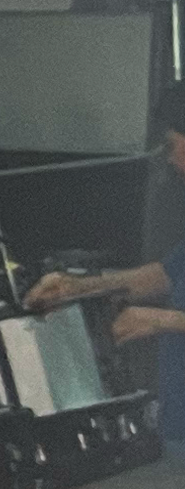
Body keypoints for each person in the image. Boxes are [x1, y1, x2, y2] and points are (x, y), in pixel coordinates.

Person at [26, 86, 185, 445]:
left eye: (173, 144)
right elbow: (161, 276)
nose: (171, 160)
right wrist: (78, 286)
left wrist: (160, 320)